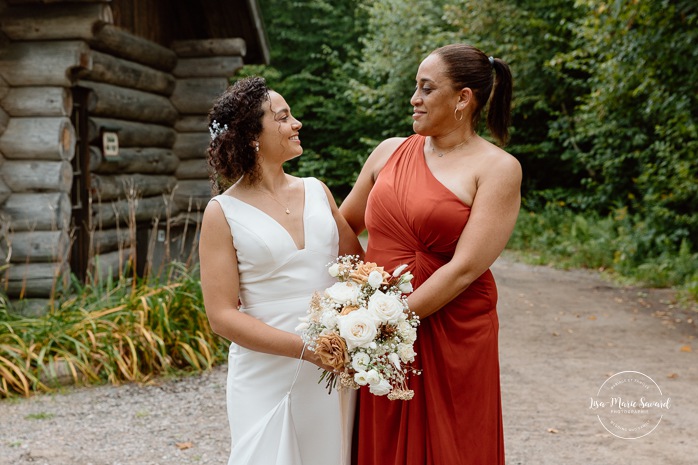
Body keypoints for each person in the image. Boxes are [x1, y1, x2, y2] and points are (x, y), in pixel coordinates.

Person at [340, 44, 521, 464]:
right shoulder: (387, 152)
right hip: (379, 327)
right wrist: (353, 303)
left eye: (426, 88)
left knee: (452, 445)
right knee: (383, 438)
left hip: (450, 326)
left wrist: (387, 324)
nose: (414, 99)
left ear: (463, 99)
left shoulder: (497, 168)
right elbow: (343, 226)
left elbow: (464, 269)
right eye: (414, 87)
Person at [199, 76, 362, 465]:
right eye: (284, 117)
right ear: (253, 136)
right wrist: (306, 350)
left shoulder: (318, 190)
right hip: (267, 369)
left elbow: (357, 269)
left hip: (331, 365)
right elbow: (221, 316)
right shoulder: (222, 212)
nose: (297, 124)